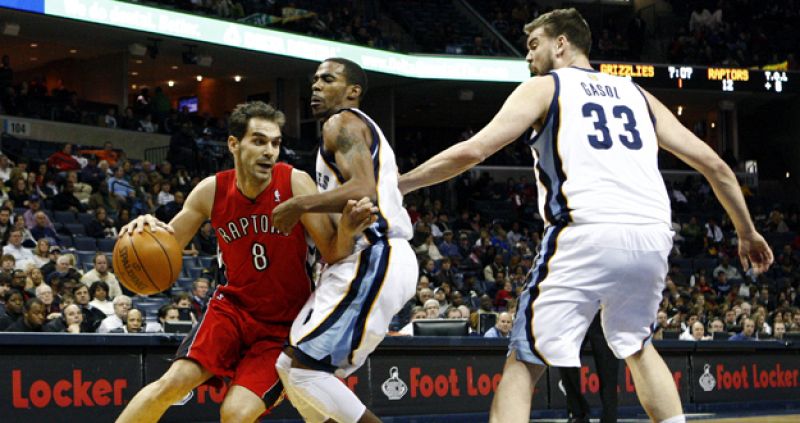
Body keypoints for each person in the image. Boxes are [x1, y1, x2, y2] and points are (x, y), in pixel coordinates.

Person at [397, 9, 773, 423]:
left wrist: (403, 184)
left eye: (533, 45)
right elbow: (716, 166)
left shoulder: (545, 87)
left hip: (586, 230)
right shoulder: (639, 95)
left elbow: (473, 151)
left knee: (524, 360)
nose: (528, 56)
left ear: (561, 44)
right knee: (637, 346)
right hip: (651, 238)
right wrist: (747, 232)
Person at [116, 101, 375, 423]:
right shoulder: (211, 191)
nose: (269, 151)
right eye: (259, 141)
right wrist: (145, 227)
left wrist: (347, 229)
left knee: (235, 414)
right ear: (234, 144)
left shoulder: (294, 182)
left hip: (282, 324)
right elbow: (167, 242)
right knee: (169, 385)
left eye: (276, 143)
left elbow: (333, 252)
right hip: (231, 310)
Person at [271, 58, 416, 423]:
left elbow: (364, 188)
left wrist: (300, 203)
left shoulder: (343, 122)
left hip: (376, 254)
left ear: (353, 92)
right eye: (314, 80)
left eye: (328, 79)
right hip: (365, 259)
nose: (316, 87)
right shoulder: (349, 131)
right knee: (291, 366)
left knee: (305, 370)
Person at [558, 313, 619, 423]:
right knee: (565, 357)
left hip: (603, 310)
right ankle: (578, 413)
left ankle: (609, 417)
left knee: (608, 371)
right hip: (574, 310)